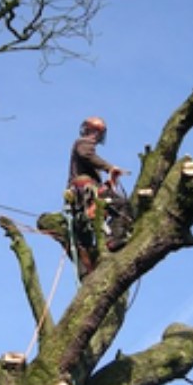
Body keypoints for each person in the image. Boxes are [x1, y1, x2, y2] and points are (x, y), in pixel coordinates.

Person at [65, 116, 133, 276]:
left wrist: (111, 181)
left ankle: (88, 268)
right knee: (123, 206)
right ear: (87, 130)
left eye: (98, 132)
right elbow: (86, 155)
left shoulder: (85, 151)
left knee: (84, 237)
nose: (95, 135)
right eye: (94, 131)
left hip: (83, 193)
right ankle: (113, 240)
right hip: (85, 189)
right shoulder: (82, 143)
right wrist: (109, 167)